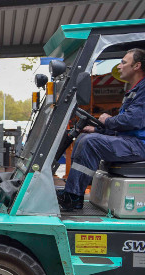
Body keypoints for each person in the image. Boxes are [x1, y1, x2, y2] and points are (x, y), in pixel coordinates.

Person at [59, 48, 145, 211]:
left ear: (137, 66)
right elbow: (122, 130)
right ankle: (74, 195)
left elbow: (134, 121)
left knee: (90, 143)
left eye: (123, 62)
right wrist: (97, 130)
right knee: (84, 139)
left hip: (139, 145)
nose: (119, 66)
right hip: (131, 142)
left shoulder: (143, 90)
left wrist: (107, 120)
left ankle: (73, 195)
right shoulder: (134, 90)